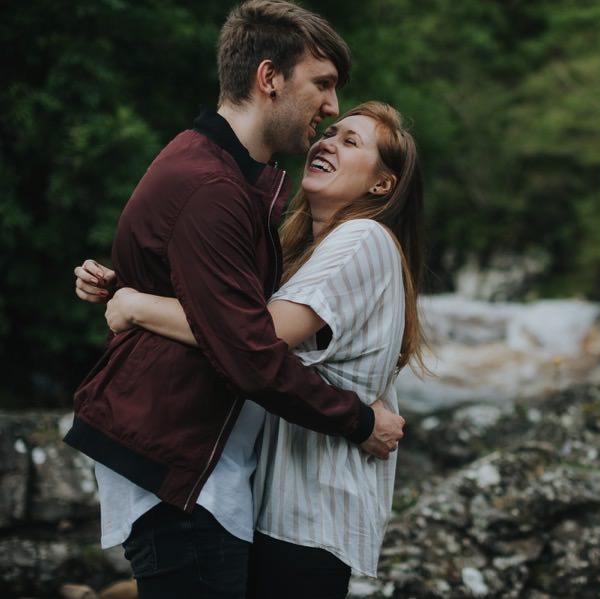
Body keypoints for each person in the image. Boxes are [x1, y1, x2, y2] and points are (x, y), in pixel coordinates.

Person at [66, 2, 404, 598]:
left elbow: (221, 309)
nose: (330, 108)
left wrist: (130, 295)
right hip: (181, 468)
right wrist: (358, 421)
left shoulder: (231, 179)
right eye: (323, 85)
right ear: (269, 77)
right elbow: (250, 349)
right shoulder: (214, 187)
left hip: (203, 467)